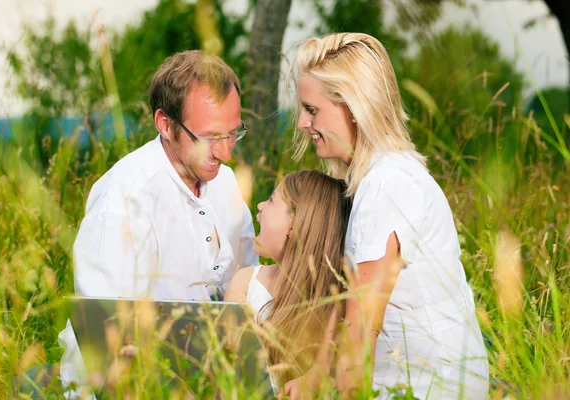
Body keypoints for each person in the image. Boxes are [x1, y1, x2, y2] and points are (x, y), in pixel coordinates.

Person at [285, 33, 489, 399]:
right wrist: (317, 373)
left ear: (353, 107)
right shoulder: (383, 176)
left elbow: (360, 331)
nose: (301, 122)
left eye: (311, 109)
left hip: (427, 389)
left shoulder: (386, 186)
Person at [58, 50, 259, 396]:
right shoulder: (124, 203)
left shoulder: (225, 184)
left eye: (233, 134)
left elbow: (243, 296)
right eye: (210, 138)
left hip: (210, 381)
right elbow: (106, 345)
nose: (226, 154)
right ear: (165, 124)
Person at [224, 170, 353, 388]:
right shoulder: (245, 282)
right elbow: (225, 367)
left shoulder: (339, 304)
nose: (260, 206)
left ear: (294, 224)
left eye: (272, 201)